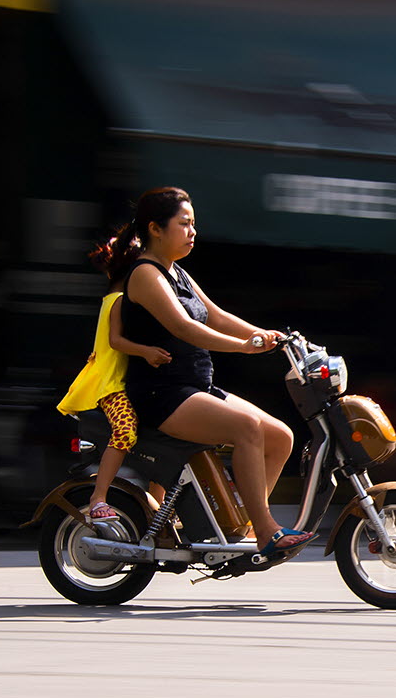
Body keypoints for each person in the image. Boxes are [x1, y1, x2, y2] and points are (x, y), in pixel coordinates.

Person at [108, 186, 315, 558]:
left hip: (195, 386)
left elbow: (215, 316)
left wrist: (265, 335)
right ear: (155, 229)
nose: (192, 231)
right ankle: (266, 531)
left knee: (281, 437)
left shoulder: (178, 274)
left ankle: (240, 526)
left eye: (193, 224)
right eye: (184, 223)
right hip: (162, 394)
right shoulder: (145, 274)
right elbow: (184, 327)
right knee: (246, 428)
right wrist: (242, 347)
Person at [56, 244, 173, 524]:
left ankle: (160, 509)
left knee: (164, 440)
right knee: (124, 431)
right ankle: (99, 497)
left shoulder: (114, 298)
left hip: (120, 382)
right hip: (112, 385)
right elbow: (115, 341)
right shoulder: (120, 300)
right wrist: (146, 351)